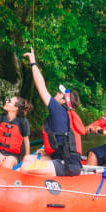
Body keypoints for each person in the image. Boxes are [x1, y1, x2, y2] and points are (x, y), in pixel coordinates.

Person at [21, 47, 83, 176]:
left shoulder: (58, 109)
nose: (57, 93)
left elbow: (41, 86)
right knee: (27, 159)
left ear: (62, 101)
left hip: (67, 164)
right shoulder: (62, 113)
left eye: (60, 93)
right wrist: (48, 152)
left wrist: (33, 63)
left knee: (26, 168)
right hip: (60, 158)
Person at [0, 96, 32, 169]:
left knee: (8, 162)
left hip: (13, 156)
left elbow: (26, 141)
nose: (6, 101)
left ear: (15, 108)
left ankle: (3, 177)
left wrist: (27, 159)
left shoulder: (23, 122)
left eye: (9, 101)